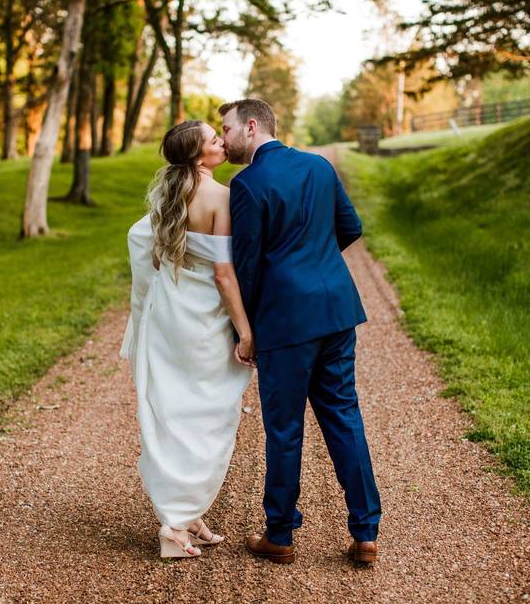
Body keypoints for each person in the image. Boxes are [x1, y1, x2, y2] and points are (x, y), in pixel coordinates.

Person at [219, 98, 382, 565]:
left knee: (285, 428)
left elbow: (246, 266)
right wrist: (316, 259)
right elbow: (351, 227)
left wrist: (244, 329)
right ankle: (366, 531)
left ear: (251, 127)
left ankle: (281, 534)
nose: (224, 137)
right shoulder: (319, 167)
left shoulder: (247, 183)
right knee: (343, 416)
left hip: (286, 322)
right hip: (335, 310)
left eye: (226, 128)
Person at [120, 120, 255, 559]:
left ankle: (187, 511)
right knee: (210, 413)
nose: (223, 141)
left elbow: (142, 239)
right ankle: (174, 525)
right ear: (201, 158)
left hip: (169, 314)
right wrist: (246, 329)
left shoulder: (168, 193)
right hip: (203, 321)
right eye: (215, 140)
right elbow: (222, 273)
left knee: (178, 411)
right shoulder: (221, 197)